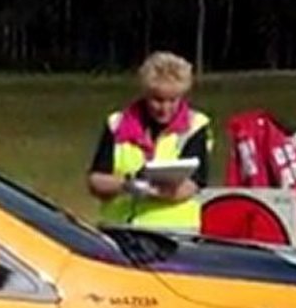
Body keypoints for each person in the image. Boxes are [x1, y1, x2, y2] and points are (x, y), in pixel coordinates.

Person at [87, 51, 213, 232]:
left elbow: (192, 186)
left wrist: (151, 190)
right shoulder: (116, 124)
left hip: (174, 235)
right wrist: (127, 185)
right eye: (158, 100)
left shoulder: (196, 126)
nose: (165, 108)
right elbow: (96, 179)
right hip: (119, 230)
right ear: (146, 94)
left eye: (173, 100)